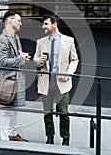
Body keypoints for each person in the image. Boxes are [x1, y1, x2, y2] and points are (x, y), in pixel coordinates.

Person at [33, 14, 79, 146]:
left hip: (63, 81)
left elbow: (74, 60)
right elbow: (35, 60)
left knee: (63, 111)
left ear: (54, 24)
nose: (43, 26)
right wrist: (38, 61)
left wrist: (69, 73)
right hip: (46, 80)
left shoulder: (68, 40)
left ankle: (65, 138)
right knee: (47, 111)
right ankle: (49, 137)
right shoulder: (40, 42)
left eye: (46, 24)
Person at [0, 10, 30, 142]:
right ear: (10, 20)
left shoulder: (16, 38)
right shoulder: (2, 40)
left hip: (17, 78)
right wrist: (20, 58)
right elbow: (2, 62)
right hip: (9, 79)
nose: (21, 23)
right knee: (7, 111)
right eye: (18, 20)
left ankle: (13, 134)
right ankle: (4, 139)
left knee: (15, 109)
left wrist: (22, 56)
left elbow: (16, 57)